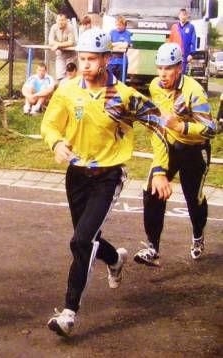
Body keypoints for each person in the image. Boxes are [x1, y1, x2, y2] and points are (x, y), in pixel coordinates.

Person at [40, 29, 171, 337]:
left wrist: (161, 169)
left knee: (81, 241)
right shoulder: (68, 90)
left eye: (91, 59)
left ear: (107, 59)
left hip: (108, 176)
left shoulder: (123, 96)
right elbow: (49, 123)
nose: (85, 65)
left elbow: (158, 126)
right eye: (81, 59)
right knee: (87, 238)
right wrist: (56, 142)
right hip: (76, 175)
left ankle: (69, 312)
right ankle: (115, 258)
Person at [135, 43, 217, 266]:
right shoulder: (155, 86)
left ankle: (198, 235)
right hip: (171, 145)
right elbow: (160, 125)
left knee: (193, 199)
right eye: (159, 68)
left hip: (195, 149)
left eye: (168, 68)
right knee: (152, 190)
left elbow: (211, 129)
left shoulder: (194, 92)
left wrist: (182, 127)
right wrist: (160, 165)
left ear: (179, 67)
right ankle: (152, 247)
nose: (162, 74)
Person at [49, 13, 76, 81]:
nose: (60, 22)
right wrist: (59, 44)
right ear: (56, 20)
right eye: (59, 20)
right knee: (60, 76)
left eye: (62, 20)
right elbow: (50, 41)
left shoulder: (70, 27)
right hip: (60, 54)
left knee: (71, 76)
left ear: (66, 20)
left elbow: (71, 42)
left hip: (71, 55)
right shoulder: (54, 27)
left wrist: (58, 45)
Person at [169, 9, 196, 74]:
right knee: (173, 73)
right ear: (179, 16)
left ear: (187, 16)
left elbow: (193, 41)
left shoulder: (191, 27)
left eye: (184, 15)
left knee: (181, 74)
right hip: (174, 55)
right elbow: (170, 41)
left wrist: (191, 54)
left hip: (184, 56)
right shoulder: (174, 27)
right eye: (181, 15)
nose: (183, 17)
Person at [108, 16, 132, 82]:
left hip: (122, 62)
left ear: (125, 26)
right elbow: (109, 46)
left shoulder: (127, 33)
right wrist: (119, 44)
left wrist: (114, 44)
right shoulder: (112, 32)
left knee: (121, 82)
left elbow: (125, 45)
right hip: (111, 62)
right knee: (110, 81)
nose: (118, 27)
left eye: (120, 25)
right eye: (117, 25)